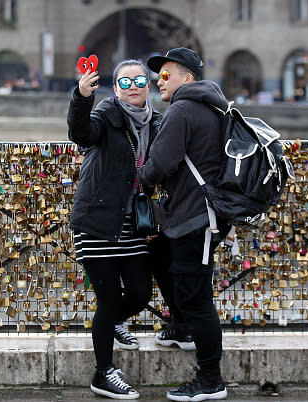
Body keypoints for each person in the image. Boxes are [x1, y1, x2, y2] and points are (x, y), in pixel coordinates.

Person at [67, 59, 162, 400]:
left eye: (139, 80)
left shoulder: (159, 123)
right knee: (107, 301)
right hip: (96, 221)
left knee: (139, 293)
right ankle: (103, 373)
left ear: (148, 85)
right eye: (124, 82)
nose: (133, 86)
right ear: (116, 89)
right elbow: (80, 133)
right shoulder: (106, 114)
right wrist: (81, 97)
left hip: (133, 224)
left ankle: (112, 324)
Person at [141, 48, 230, 401]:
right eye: (157, 76)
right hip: (196, 215)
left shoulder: (182, 109)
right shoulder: (214, 107)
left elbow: (159, 164)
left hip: (198, 218)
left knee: (198, 300)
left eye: (166, 75)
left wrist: (139, 174)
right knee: (159, 254)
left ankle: (211, 379)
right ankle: (179, 326)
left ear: (188, 78)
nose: (158, 81)